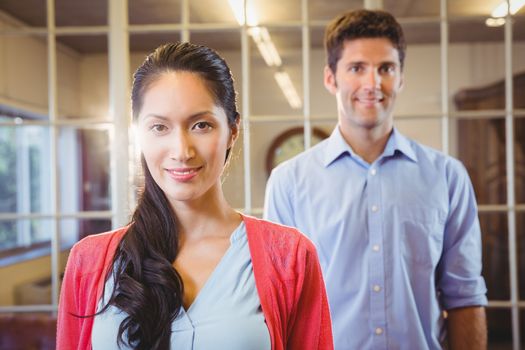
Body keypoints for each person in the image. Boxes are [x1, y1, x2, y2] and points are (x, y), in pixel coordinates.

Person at [57, 42, 333, 350]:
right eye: (159, 127)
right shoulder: (89, 262)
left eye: (201, 125)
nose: (181, 151)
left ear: (232, 130)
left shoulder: (290, 256)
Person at [264, 9, 487, 350]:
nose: (372, 84)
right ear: (331, 79)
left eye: (386, 68)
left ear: (400, 77)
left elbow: (465, 295)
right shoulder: (288, 183)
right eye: (356, 68)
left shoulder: (447, 177)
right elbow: (279, 305)